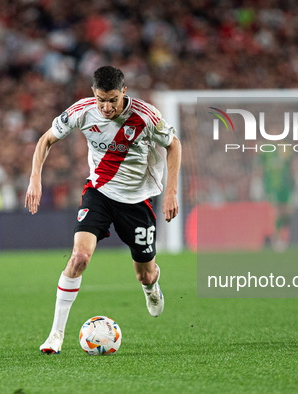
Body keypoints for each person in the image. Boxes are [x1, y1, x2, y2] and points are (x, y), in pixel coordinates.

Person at [25, 65, 181, 354]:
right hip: (98, 193)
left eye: (113, 100)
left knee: (145, 274)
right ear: (93, 94)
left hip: (138, 200)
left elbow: (174, 145)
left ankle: (151, 287)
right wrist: (35, 178)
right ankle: (55, 335)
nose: (107, 107)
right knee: (79, 257)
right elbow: (46, 140)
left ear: (124, 92)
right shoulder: (82, 111)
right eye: (101, 100)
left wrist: (171, 191)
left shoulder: (146, 116)